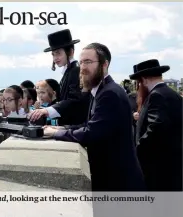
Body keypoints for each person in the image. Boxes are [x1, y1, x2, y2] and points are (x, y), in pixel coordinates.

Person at [43, 43, 146, 191]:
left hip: (119, 182)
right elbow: (89, 124)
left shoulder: (109, 93)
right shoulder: (99, 90)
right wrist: (61, 127)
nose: (83, 68)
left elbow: (92, 132)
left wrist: (56, 133)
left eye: (89, 62)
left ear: (104, 64)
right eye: (82, 62)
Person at [129, 59, 182, 191]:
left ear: (144, 80)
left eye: (139, 82)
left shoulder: (157, 96)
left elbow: (155, 130)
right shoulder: (172, 94)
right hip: (172, 167)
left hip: (159, 170)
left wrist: (136, 152)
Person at [29, 29, 89, 126]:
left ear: (70, 52)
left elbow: (74, 101)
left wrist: (47, 110)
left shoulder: (75, 71)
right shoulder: (69, 71)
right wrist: (42, 110)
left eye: (58, 53)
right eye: (53, 54)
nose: (55, 58)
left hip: (74, 126)